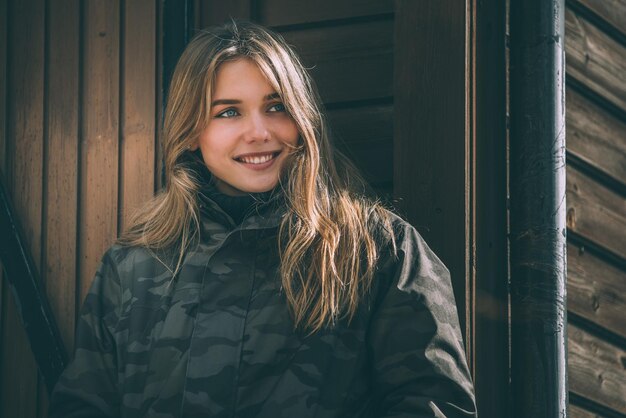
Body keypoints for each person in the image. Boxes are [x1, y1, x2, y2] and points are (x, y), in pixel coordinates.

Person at [49, 20, 477, 418]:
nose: (259, 132)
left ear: (301, 118)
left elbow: (433, 405)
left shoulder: (380, 250)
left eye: (275, 106)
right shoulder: (132, 265)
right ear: (192, 132)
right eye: (228, 112)